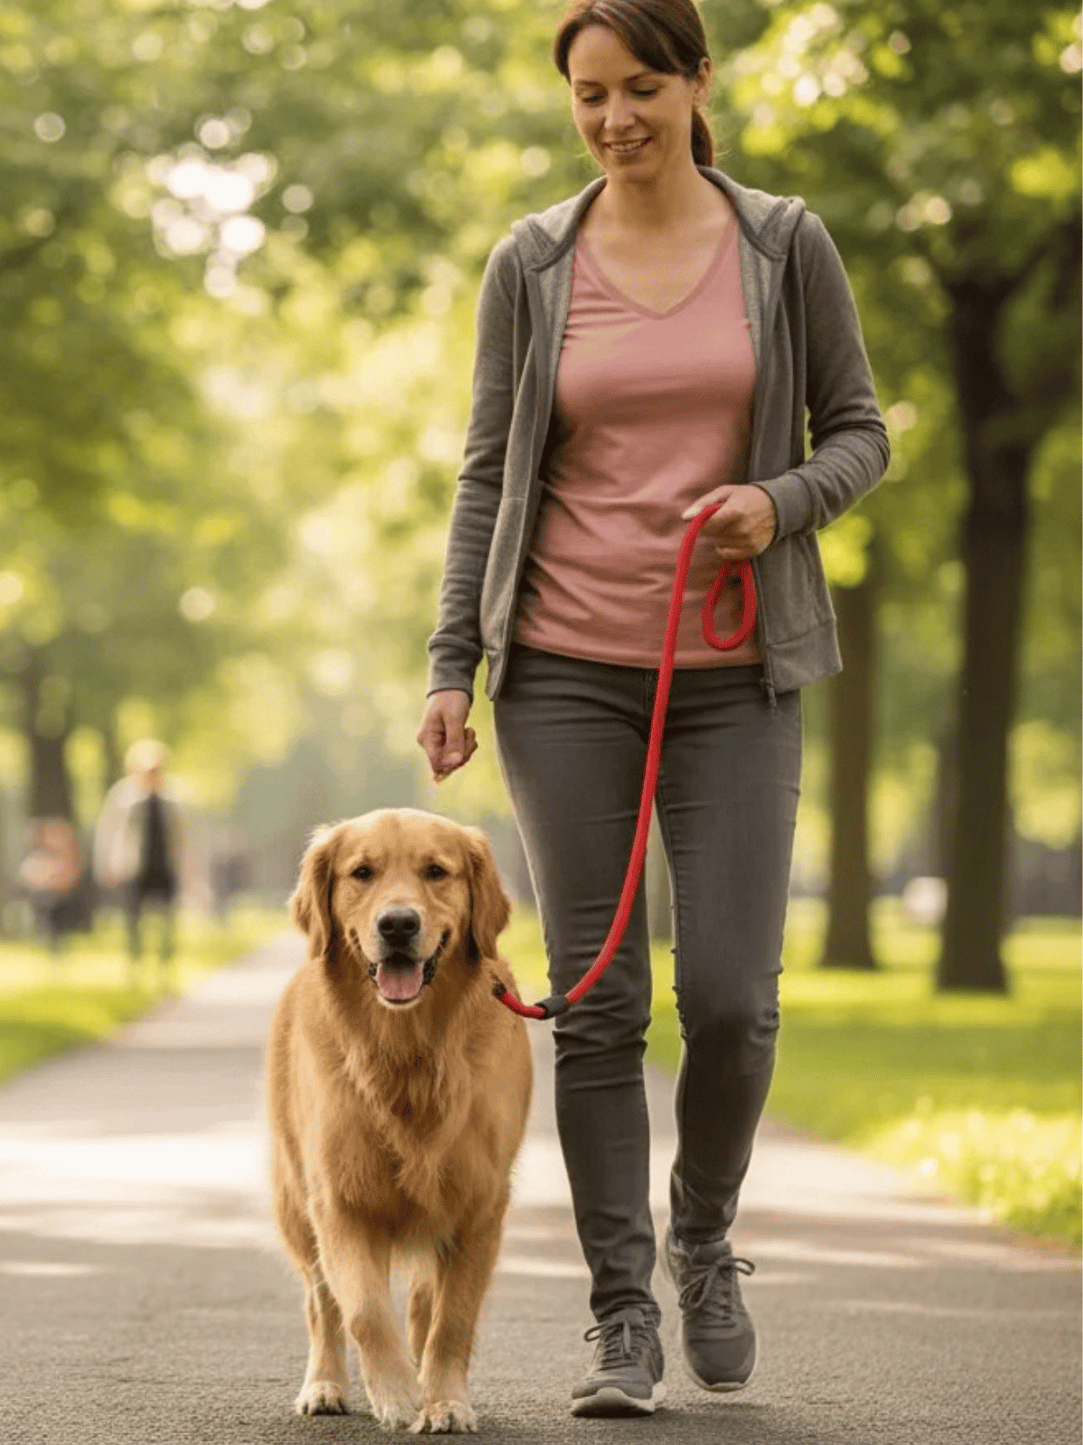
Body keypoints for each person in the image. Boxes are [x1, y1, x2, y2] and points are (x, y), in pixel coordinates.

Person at [416, 0, 889, 1419]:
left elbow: (861, 430)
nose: (614, 119)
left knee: (734, 999)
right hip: (562, 672)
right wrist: (454, 662)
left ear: (695, 83)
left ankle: (703, 1237)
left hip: (737, 674)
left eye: (638, 89)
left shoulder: (781, 244)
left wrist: (779, 499)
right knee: (601, 1002)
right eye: (586, 96)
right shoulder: (534, 261)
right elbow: (488, 472)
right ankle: (621, 1312)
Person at [92, 739, 185, 986]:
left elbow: (183, 837)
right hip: (133, 870)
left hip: (165, 868)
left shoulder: (173, 798)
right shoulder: (123, 797)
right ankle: (135, 972)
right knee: (133, 923)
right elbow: (108, 833)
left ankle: (166, 972)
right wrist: (107, 865)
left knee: (166, 922)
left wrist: (190, 869)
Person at [17, 817, 85, 952]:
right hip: (42, 897)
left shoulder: (68, 859)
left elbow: (70, 879)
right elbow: (27, 878)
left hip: (62, 899)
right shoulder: (37, 857)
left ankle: (55, 939)